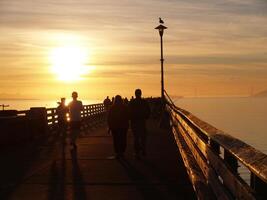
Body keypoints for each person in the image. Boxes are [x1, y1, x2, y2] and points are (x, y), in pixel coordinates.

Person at [129, 89, 150, 160]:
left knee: (136, 138)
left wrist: (130, 118)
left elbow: (128, 112)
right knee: (143, 137)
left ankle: (137, 153)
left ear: (135, 94)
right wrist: (146, 117)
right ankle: (143, 149)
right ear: (141, 94)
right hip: (142, 122)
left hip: (134, 122)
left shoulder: (132, 102)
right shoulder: (144, 102)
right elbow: (148, 111)